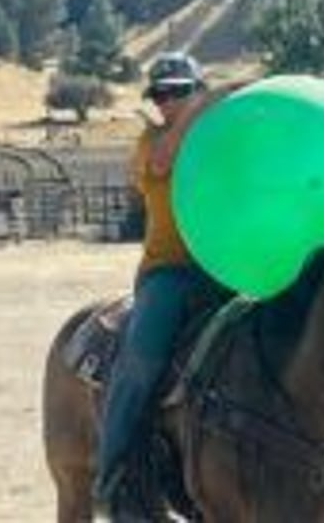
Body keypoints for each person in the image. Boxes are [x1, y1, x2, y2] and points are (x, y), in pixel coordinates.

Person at [93, 51, 243, 507]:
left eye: (178, 91)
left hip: (230, 271)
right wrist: (199, 106)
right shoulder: (149, 144)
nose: (165, 101)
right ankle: (113, 475)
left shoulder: (223, 146)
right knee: (140, 361)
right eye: (159, 93)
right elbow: (162, 164)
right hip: (169, 274)